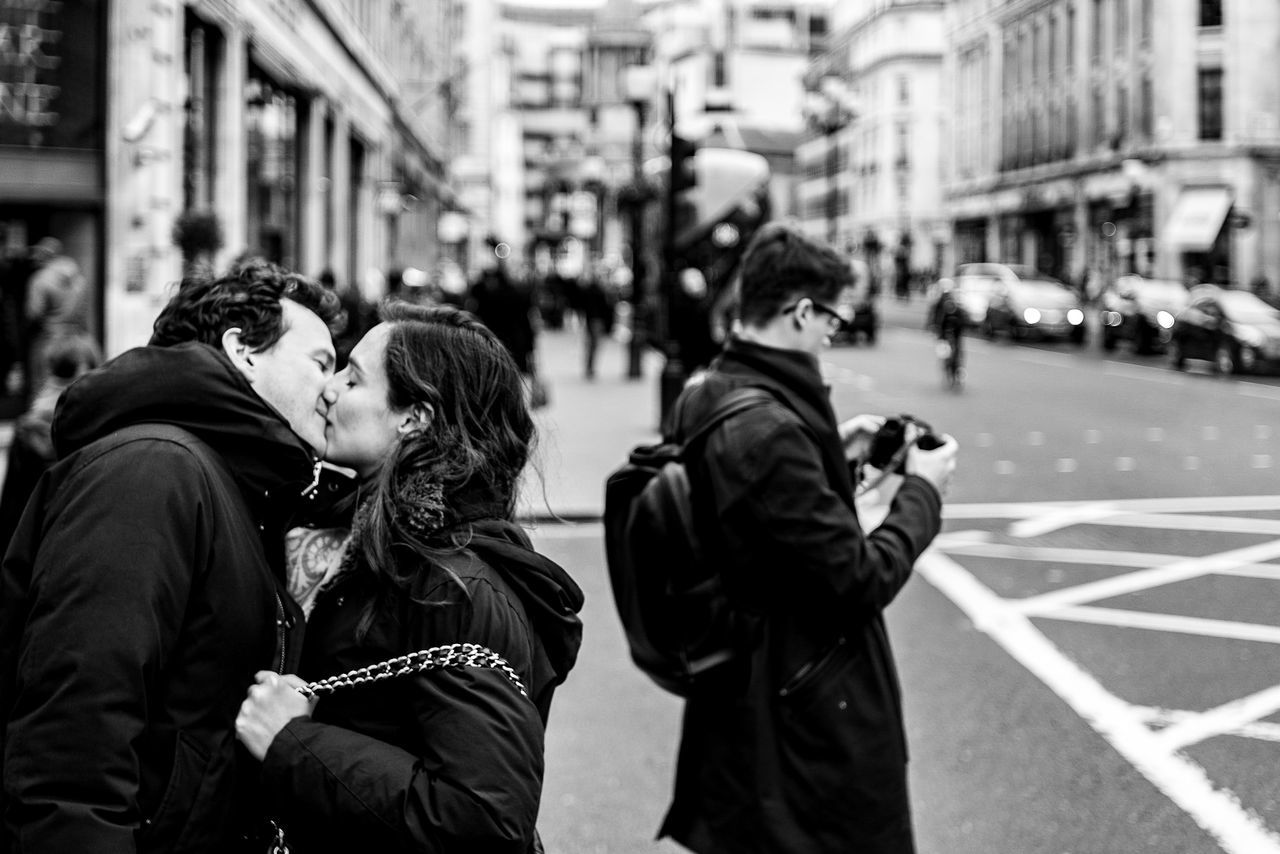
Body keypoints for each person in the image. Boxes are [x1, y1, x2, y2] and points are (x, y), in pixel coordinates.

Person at [0, 260, 340, 853]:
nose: (334, 389)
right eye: (321, 364)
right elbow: (75, 734)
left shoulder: (226, 481)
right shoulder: (151, 470)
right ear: (244, 351)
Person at [235, 302, 585, 853]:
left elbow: (483, 821)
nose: (328, 389)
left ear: (413, 418)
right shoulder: (365, 538)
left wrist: (293, 742)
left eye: (353, 378)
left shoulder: (454, 588)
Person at [658, 223, 958, 854]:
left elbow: (765, 527)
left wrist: (837, 462)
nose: (833, 333)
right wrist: (922, 493)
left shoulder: (713, 392)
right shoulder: (769, 429)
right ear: (800, 312)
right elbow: (857, 579)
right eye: (833, 319)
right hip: (801, 712)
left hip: (752, 693)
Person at [0, 332, 101, 548]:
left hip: (37, 547)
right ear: (85, 369)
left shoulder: (28, 426)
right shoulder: (95, 426)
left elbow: (11, 513)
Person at [24, 237, 89, 394]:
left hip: (49, 339)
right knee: (74, 384)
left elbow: (34, 313)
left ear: (44, 255)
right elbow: (83, 310)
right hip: (76, 338)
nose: (35, 258)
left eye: (38, 254)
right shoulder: (78, 278)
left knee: (44, 385)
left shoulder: (40, 279)